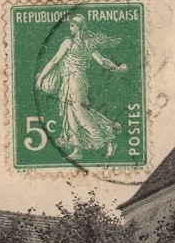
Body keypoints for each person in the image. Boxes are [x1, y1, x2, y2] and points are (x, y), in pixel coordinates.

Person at [35, 14, 127, 160]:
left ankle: (106, 138)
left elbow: (54, 61)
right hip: (69, 80)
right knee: (70, 112)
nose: (70, 28)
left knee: (78, 110)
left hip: (75, 79)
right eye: (70, 25)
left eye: (73, 25)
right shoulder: (87, 43)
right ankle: (77, 148)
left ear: (79, 27)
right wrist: (118, 68)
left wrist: (40, 78)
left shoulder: (69, 43)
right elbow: (102, 61)